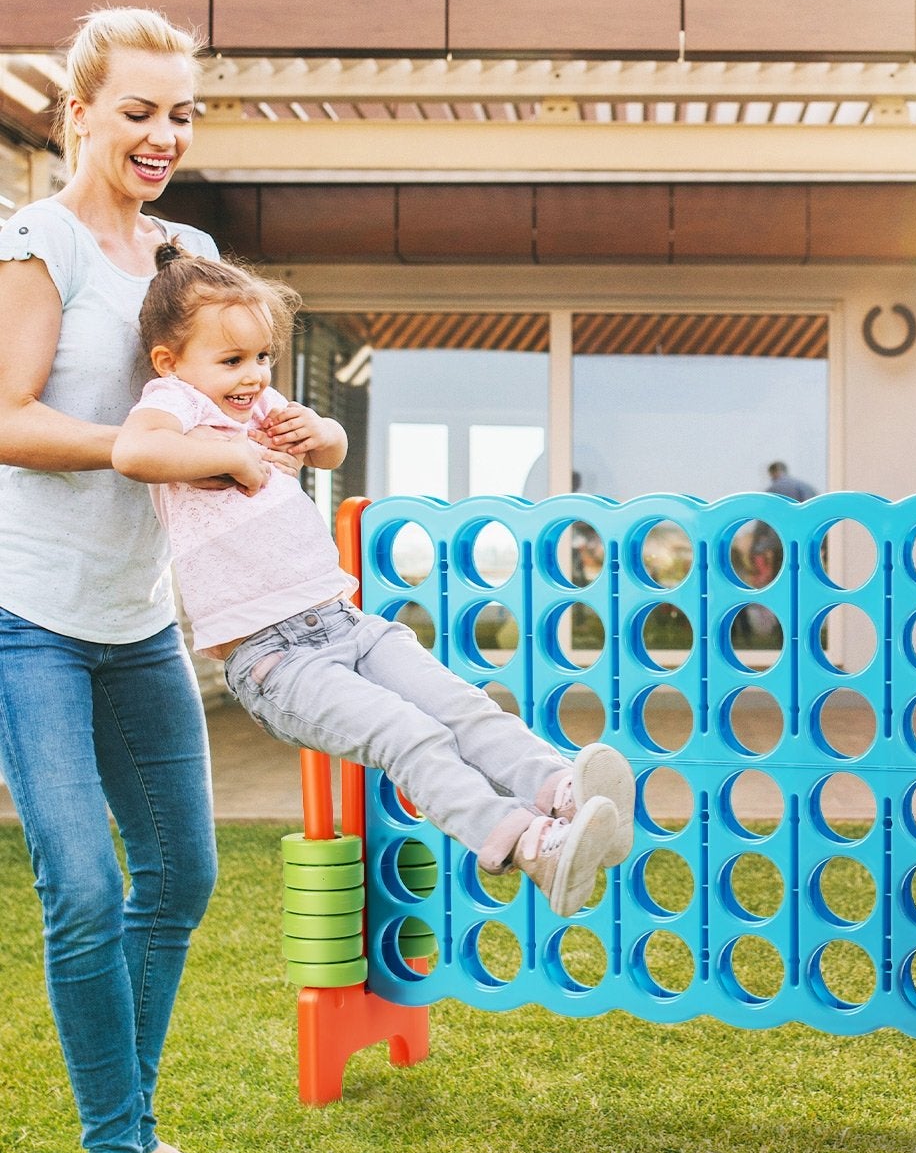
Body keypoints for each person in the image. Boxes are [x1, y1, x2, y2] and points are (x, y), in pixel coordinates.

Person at [112, 246, 638, 922]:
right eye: (233, 361)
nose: (254, 377)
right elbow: (133, 452)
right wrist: (231, 454)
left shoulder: (260, 402)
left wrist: (321, 428)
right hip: (276, 661)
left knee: (463, 707)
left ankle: (565, 795)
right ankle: (526, 843)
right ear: (169, 361)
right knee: (407, 735)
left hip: (344, 623)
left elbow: (330, 450)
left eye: (263, 357)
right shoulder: (172, 403)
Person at [0, 8, 251, 1153]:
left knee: (183, 876)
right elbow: (4, 418)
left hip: (140, 619)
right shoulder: (35, 243)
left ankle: (140, 1131)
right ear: (80, 112)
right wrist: (136, 444)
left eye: (182, 112)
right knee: (84, 886)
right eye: (139, 110)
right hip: (32, 618)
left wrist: (270, 430)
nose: (163, 134)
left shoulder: (184, 249)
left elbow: (205, 397)